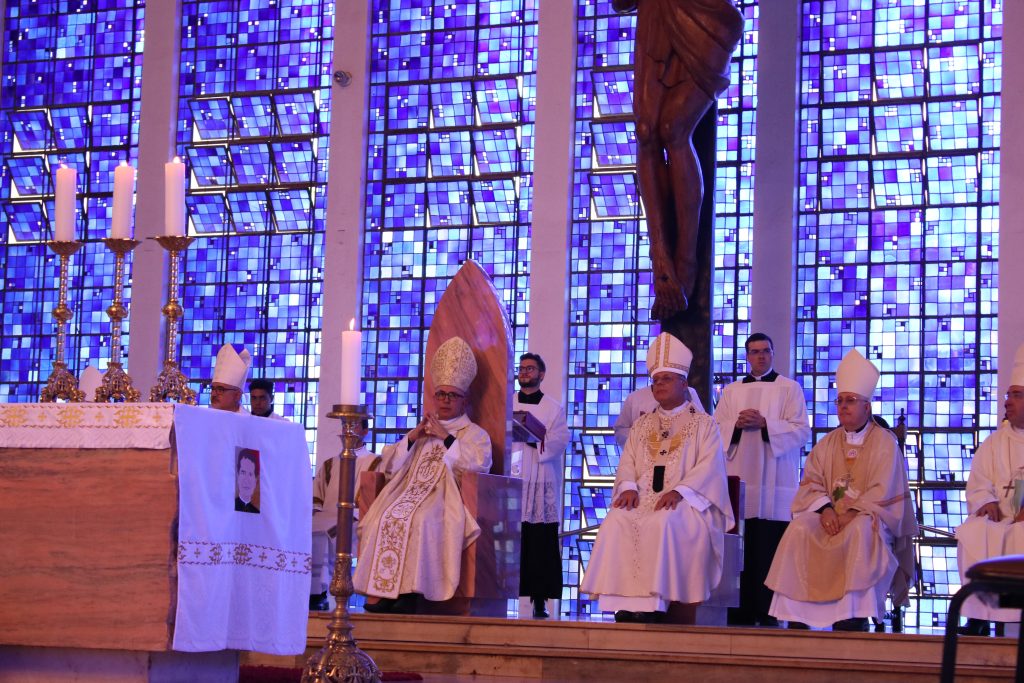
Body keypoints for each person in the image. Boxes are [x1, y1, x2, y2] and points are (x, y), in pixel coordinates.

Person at [581, 332, 734, 622]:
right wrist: (627, 486)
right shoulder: (641, 424)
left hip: (687, 504)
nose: (659, 385)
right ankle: (623, 603)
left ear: (684, 384)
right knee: (616, 520)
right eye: (655, 380)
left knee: (663, 521)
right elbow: (628, 462)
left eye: (666, 379)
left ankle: (652, 605)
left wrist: (682, 492)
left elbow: (710, 467)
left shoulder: (704, 425)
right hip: (643, 497)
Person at [765, 349, 916, 631]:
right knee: (799, 530)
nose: (843, 406)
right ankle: (799, 613)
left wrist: (851, 514)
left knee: (859, 531)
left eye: (851, 401)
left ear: (867, 408)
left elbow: (885, 488)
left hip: (868, 518)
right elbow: (811, 482)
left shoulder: (884, 443)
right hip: (830, 517)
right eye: (840, 401)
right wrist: (824, 510)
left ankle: (853, 613)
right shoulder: (828, 443)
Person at [612, 0, 744, 319]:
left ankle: (686, 260)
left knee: (674, 128)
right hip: (656, 14)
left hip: (706, 15)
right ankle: (660, 251)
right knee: (646, 131)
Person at [354, 336, 492, 614]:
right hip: (405, 494)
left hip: (445, 497)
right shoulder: (423, 430)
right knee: (382, 517)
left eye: (452, 395)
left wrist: (447, 439)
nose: (445, 401)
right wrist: (412, 438)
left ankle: (411, 593)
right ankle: (384, 593)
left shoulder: (474, 434)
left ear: (464, 400)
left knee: (421, 519)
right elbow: (390, 465)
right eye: (440, 394)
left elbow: (478, 465)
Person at [714, 332, 810, 626]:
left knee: (769, 549)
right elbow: (714, 430)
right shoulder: (731, 391)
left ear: (773, 353)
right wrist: (736, 425)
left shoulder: (789, 388)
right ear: (747, 356)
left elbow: (801, 431)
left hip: (775, 482)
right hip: (739, 481)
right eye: (754, 351)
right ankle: (739, 611)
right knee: (742, 549)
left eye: (765, 351)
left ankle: (769, 612)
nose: (760, 356)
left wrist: (766, 423)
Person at [955, 342, 1024, 633]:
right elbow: (979, 482)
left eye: (1016, 395)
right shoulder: (994, 442)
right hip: (999, 519)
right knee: (973, 529)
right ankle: (978, 617)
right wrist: (986, 502)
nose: (1007, 401)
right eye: (1008, 395)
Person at [513, 352, 571, 619]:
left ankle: (539, 599)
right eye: (522, 368)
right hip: (511, 473)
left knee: (539, 540)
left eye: (530, 368)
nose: (525, 372)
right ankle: (503, 593)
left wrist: (536, 438)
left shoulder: (553, 408)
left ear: (541, 374)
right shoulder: (506, 402)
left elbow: (559, 441)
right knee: (510, 539)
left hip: (539, 474)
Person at [309, 419, 381, 611]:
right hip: (326, 517)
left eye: (354, 425)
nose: (347, 430)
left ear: (365, 431)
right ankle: (309, 591)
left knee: (327, 535)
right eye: (344, 425)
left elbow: (377, 499)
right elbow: (316, 498)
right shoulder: (329, 464)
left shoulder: (376, 462)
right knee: (305, 532)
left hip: (358, 519)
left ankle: (322, 592)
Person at [613, 383, 705, 448]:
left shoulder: (689, 393)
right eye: (657, 379)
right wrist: (642, 437)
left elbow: (702, 426)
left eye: (666, 378)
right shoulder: (635, 397)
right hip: (643, 460)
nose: (660, 382)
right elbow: (621, 430)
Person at [210, 343, 251, 413]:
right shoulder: (205, 418)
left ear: (237, 395)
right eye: (213, 389)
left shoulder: (250, 423)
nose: (213, 394)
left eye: (220, 390)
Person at [234, 449, 260, 513]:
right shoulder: (230, 505)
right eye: (243, 472)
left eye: (250, 474)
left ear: (255, 480)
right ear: (238, 475)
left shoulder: (256, 511)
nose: (246, 479)